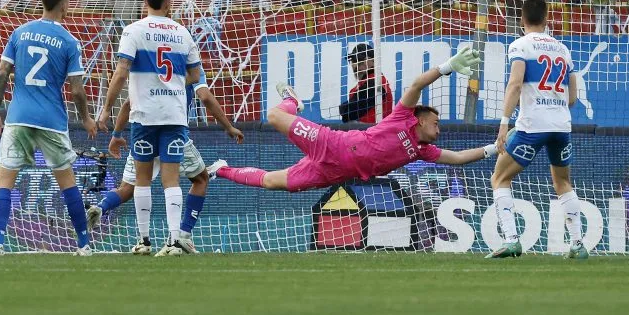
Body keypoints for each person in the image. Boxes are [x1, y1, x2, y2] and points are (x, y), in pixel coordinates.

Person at [206, 48, 496, 192]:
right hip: (331, 144)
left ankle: (221, 169)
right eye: (435, 122)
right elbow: (416, 86)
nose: (439, 127)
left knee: (271, 182)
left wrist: (495, 148)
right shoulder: (401, 117)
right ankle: (293, 100)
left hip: (333, 173)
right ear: (419, 119)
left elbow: (457, 158)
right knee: (274, 115)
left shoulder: (422, 151)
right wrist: (446, 68)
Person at [0, 0, 97, 256]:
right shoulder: (69, 41)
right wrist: (86, 119)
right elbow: (77, 91)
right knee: (67, 182)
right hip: (51, 120)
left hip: (18, 116)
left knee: (4, 181)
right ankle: (83, 245)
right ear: (65, 4)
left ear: (41, 1)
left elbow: (1, 74)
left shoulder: (20, 33)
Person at [99, 0, 203, 256]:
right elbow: (195, 75)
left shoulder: (133, 30)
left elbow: (121, 72)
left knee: (141, 180)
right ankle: (174, 240)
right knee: (172, 179)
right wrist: (171, 81)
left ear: (145, 2)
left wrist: (107, 108)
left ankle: (144, 241)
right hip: (174, 114)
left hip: (144, 115)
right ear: (169, 2)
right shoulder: (183, 33)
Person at [486, 0, 585, 260]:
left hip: (532, 126)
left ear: (521, 19)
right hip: (562, 125)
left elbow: (515, 84)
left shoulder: (520, 46)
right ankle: (577, 244)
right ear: (546, 18)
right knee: (563, 182)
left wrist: (504, 123)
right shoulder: (563, 50)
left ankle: (511, 240)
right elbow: (573, 98)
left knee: (500, 178)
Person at [87, 70, 244, 234]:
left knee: (128, 188)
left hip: (144, 133)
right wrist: (229, 126)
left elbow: (128, 103)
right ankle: (182, 235)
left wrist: (117, 134)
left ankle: (101, 208)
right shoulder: (188, 63)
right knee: (200, 179)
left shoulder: (151, 64)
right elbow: (205, 96)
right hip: (173, 133)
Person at [339, 42, 394, 125]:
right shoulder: (371, 82)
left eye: (357, 60)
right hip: (369, 132)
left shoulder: (376, 82)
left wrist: (344, 108)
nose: (354, 65)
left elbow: (348, 112)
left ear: (370, 61)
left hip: (372, 133)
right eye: (353, 61)